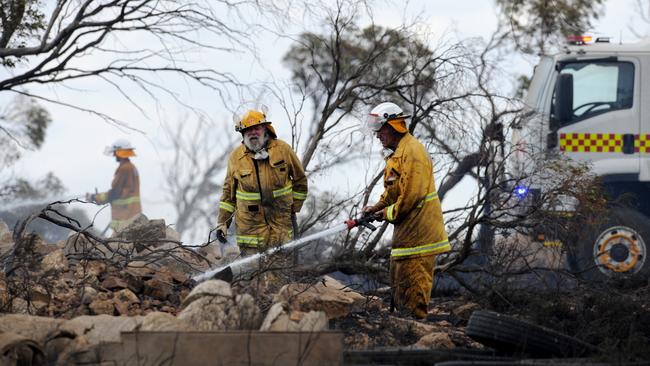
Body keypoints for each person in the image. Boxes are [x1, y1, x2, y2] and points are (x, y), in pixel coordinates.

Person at [362, 102, 451, 319]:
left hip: (421, 234)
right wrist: (376, 207)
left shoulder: (413, 151)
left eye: (380, 130)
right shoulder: (397, 153)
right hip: (407, 235)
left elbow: (411, 195)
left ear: (394, 126)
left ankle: (417, 335)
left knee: (414, 289)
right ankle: (405, 329)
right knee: (400, 286)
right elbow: (393, 192)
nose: (377, 136)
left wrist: (386, 214)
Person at [215, 107, 308, 256]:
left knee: (280, 272)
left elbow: (300, 181)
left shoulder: (283, 150)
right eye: (248, 130)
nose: (252, 133)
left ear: (265, 129)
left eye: (256, 128)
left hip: (280, 227)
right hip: (250, 232)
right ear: (242, 133)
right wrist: (222, 224)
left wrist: (292, 208)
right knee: (253, 275)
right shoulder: (235, 158)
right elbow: (228, 196)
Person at [86, 139, 142, 232]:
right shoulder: (131, 167)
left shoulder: (125, 168)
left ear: (120, 152)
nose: (114, 155)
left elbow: (115, 193)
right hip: (131, 213)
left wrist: (95, 197)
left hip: (124, 216)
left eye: (115, 152)